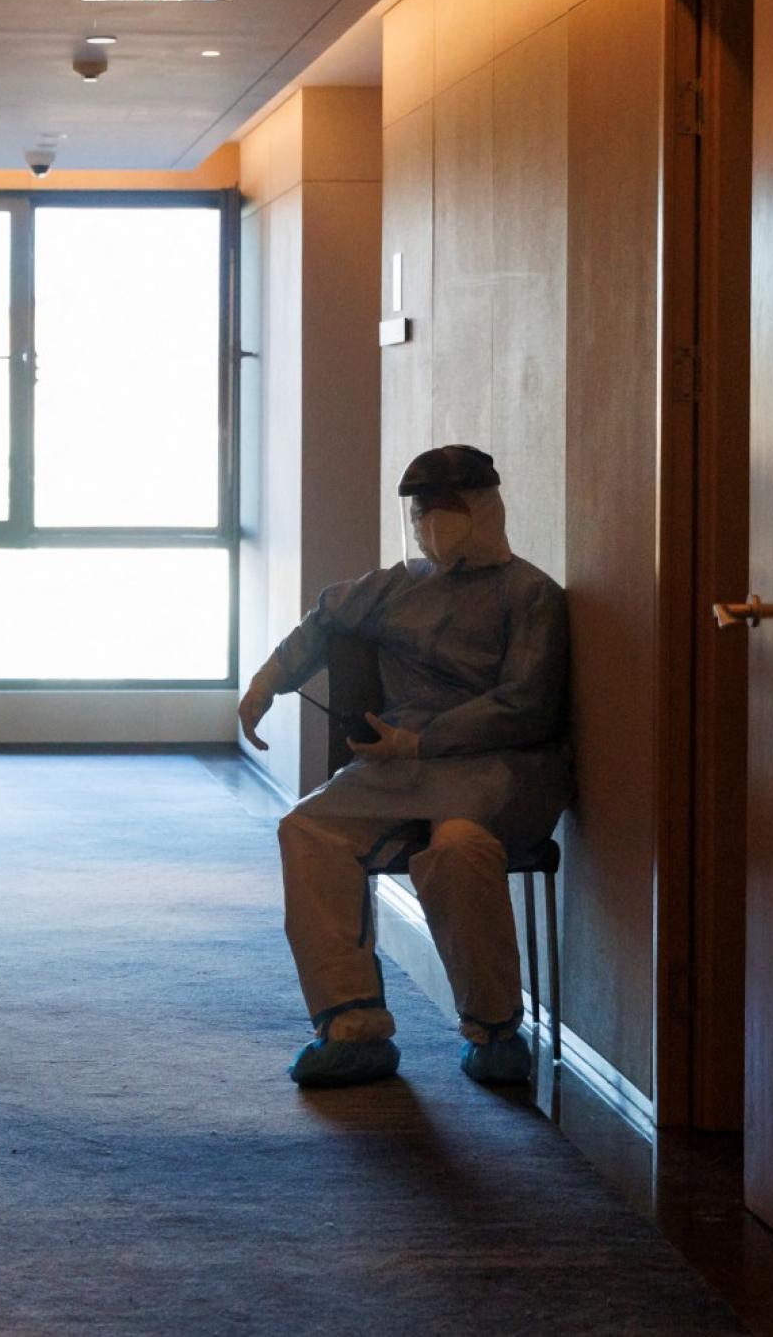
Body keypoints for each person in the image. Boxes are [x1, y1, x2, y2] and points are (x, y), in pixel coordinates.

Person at [238, 445, 572, 1089]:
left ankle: (495, 1029)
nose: (430, 523)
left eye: (445, 509)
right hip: (399, 768)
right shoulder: (396, 587)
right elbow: (326, 618)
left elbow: (525, 706)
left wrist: (422, 741)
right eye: (420, 511)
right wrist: (267, 683)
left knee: (458, 846)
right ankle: (352, 1024)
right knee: (307, 830)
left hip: (500, 770)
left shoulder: (531, 596)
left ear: (483, 510)